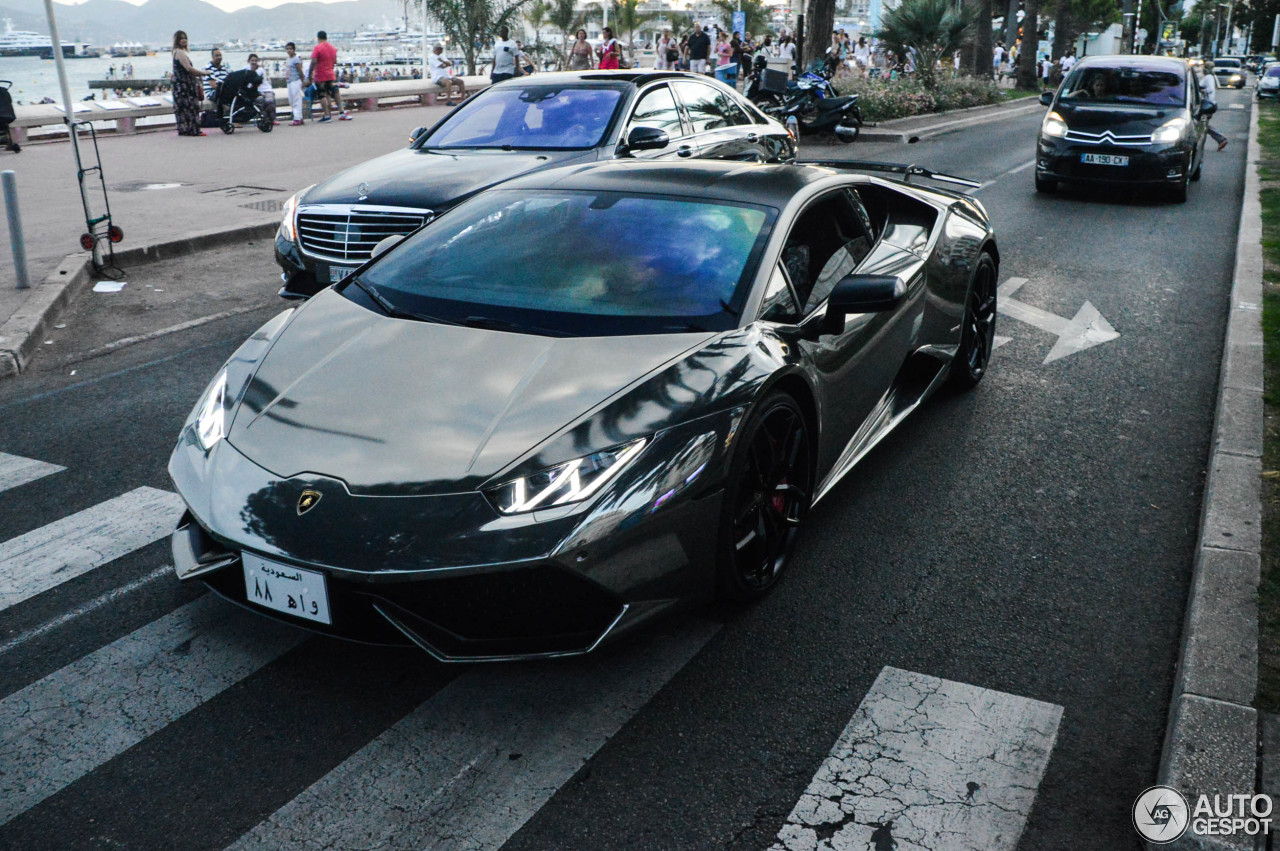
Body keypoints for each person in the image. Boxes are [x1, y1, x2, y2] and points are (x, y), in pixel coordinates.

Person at [171, 30, 210, 137]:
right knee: (190, 107)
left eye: (185, 38)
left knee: (183, 109)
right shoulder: (179, 52)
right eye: (181, 38)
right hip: (184, 86)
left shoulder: (176, 52)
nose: (184, 40)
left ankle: (185, 129)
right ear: (177, 41)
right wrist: (203, 73)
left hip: (180, 86)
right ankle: (193, 130)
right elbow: (188, 68)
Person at [308, 30, 351, 122]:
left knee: (322, 94)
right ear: (326, 37)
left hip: (320, 75)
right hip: (330, 74)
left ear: (318, 38)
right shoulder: (332, 48)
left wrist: (310, 74)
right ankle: (341, 113)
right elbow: (335, 61)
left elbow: (314, 61)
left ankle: (327, 116)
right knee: (335, 92)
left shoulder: (317, 48)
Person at [1200, 62, 1229, 150]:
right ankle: (1220, 139)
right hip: (1209, 104)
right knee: (1203, 124)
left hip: (1207, 105)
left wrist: (1202, 90)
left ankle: (1221, 139)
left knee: (1202, 124)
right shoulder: (1211, 77)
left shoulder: (1208, 77)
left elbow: (1210, 89)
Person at [244, 53, 277, 124]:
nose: (254, 62)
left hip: (266, 89)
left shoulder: (261, 70)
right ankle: (264, 119)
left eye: (255, 60)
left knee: (269, 101)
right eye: (252, 60)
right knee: (259, 102)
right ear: (249, 61)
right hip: (255, 92)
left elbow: (258, 82)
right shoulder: (246, 69)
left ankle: (272, 119)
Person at [284, 41, 306, 125]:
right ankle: (299, 117)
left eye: (290, 49)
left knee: (296, 100)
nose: (289, 50)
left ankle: (297, 118)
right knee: (291, 100)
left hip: (295, 81)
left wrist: (302, 81)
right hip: (289, 81)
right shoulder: (288, 59)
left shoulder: (296, 59)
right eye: (287, 49)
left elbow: (300, 71)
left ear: (294, 50)